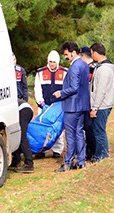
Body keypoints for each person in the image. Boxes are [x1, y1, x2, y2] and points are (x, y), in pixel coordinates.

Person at [53, 42, 90, 172]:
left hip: (72, 106)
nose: (65, 57)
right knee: (79, 133)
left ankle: (67, 162)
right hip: (82, 105)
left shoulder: (74, 67)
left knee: (70, 134)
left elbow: (74, 87)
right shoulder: (84, 64)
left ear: (73, 52)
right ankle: (81, 161)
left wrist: (61, 93)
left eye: (66, 54)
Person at [34, 50, 67, 158]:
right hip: (44, 105)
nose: (52, 64)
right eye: (50, 61)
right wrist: (41, 102)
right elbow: (37, 88)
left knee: (58, 128)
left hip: (58, 106)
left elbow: (67, 89)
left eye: (54, 62)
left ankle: (57, 150)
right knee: (41, 128)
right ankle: (41, 149)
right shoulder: (41, 72)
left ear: (57, 62)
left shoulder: (65, 72)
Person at [89, 43, 114, 162]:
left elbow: (101, 90)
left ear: (95, 52)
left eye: (91, 53)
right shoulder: (101, 67)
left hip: (102, 105)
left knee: (99, 131)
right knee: (98, 130)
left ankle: (102, 156)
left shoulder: (104, 69)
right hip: (102, 104)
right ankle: (100, 154)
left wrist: (95, 108)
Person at [79, 47, 97, 162]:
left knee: (90, 129)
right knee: (87, 128)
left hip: (91, 102)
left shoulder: (92, 68)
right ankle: (89, 150)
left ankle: (92, 151)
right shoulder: (89, 67)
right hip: (86, 102)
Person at [10, 98, 35, 173]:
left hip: (23, 110)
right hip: (26, 109)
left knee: (21, 137)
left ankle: (29, 164)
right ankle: (16, 160)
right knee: (16, 135)